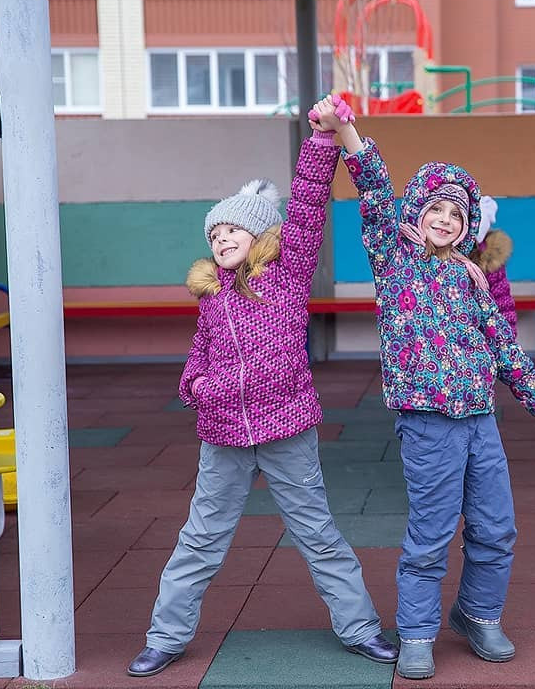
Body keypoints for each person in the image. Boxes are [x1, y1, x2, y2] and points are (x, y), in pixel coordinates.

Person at [127, 97, 397, 678]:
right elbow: (199, 358)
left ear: (256, 235)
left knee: (317, 532)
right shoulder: (212, 297)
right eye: (215, 232)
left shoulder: (288, 272)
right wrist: (196, 384)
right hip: (223, 433)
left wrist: (325, 139)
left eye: (232, 229)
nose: (222, 237)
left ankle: (360, 629)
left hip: (286, 429)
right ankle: (165, 636)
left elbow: (305, 207)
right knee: (201, 536)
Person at [315, 109, 535, 680]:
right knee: (431, 531)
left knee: (496, 524)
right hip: (427, 420)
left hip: (480, 417)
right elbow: (375, 186)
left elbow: (502, 343)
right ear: (416, 213)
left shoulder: (473, 278)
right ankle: (417, 631)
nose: (446, 219)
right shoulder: (394, 259)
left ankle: (478, 614)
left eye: (458, 213)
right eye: (436, 208)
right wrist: (345, 130)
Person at [468, 195, 517, 333]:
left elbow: (503, 304)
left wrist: (507, 338)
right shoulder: (442, 260)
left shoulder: (490, 264)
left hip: (484, 338)